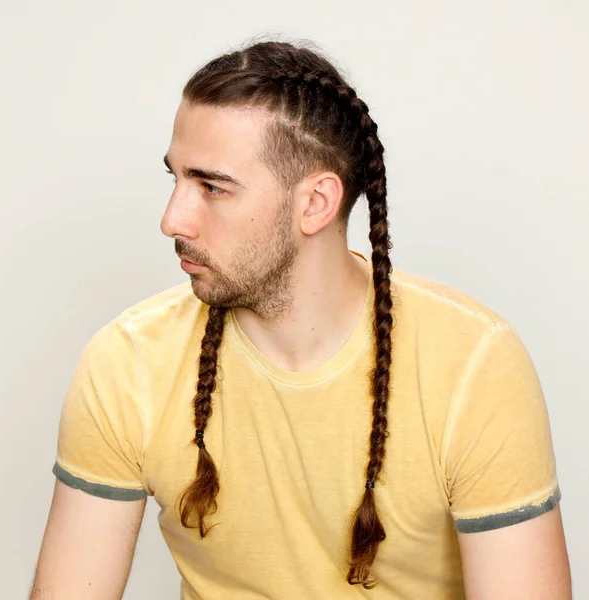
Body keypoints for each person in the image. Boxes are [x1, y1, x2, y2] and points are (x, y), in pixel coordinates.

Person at [30, 38, 571, 599]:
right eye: (176, 179)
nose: (173, 219)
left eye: (212, 187)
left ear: (315, 203)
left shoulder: (473, 366)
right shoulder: (128, 362)